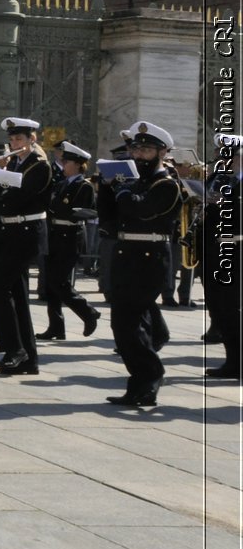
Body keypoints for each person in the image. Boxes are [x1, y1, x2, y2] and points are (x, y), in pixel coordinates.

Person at [105, 121, 184, 407]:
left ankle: (150, 376)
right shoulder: (136, 181)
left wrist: (123, 191)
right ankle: (138, 381)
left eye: (146, 150)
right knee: (121, 325)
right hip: (127, 254)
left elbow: (141, 210)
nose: (138, 155)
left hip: (150, 258)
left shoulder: (167, 184)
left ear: (162, 152)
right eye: (136, 149)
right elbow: (113, 217)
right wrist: (107, 188)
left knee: (130, 323)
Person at [0, 116, 54, 375]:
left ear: (32, 139)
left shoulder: (38, 165)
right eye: (12, 139)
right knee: (17, 295)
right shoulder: (18, 163)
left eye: (19, 138)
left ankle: (14, 349)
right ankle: (28, 358)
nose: (14, 143)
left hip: (28, 232)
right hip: (13, 233)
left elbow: (16, 198)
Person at [40, 141, 102, 340]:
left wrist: (60, 211)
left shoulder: (84, 186)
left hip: (70, 235)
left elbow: (85, 211)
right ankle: (56, 326)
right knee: (50, 283)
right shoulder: (61, 184)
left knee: (59, 281)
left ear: (77, 164)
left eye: (65, 161)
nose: (62, 164)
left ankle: (87, 312)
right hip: (55, 234)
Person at [203, 134, 241, 380]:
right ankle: (233, 360)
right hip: (216, 248)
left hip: (238, 249)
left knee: (233, 307)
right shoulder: (219, 179)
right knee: (219, 307)